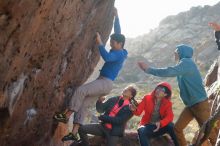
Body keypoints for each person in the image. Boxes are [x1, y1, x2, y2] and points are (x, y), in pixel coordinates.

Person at [53, 8, 127, 141]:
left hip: (105, 82)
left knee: (80, 90)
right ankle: (74, 132)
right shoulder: (121, 49)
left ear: (120, 44)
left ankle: (67, 115)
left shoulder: (119, 53)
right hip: (105, 83)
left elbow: (108, 58)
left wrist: (100, 44)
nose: (111, 44)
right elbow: (118, 33)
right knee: (83, 104)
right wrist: (117, 17)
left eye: (113, 43)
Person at [138, 44, 218, 145]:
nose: (174, 54)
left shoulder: (186, 63)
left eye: (176, 52)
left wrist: (148, 69)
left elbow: (169, 71)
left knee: (209, 132)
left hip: (200, 104)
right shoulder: (183, 65)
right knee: (177, 128)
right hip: (191, 105)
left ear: (181, 53)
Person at [130, 82, 179, 146]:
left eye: (162, 90)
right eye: (157, 88)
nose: (158, 91)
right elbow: (138, 112)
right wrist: (134, 110)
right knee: (141, 130)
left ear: (165, 94)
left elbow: (170, 117)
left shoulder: (168, 103)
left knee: (171, 126)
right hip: (148, 126)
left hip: (161, 127)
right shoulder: (147, 98)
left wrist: (161, 123)